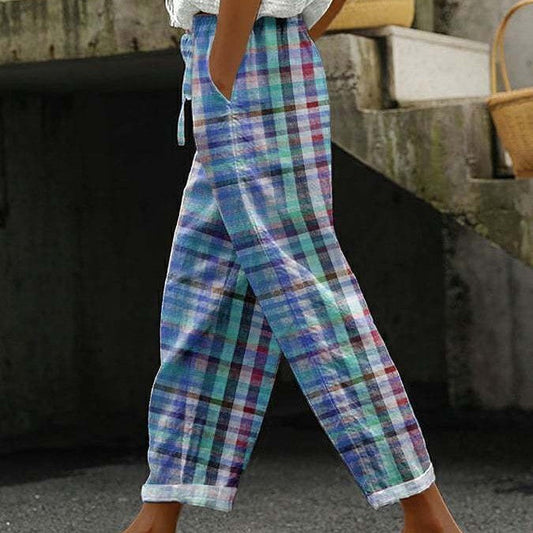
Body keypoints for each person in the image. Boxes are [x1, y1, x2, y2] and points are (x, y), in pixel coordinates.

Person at [122, 1, 464, 532]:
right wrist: (279, 41)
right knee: (206, 293)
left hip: (242, 63)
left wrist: (222, 72)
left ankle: (425, 510)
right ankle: (160, 509)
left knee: (308, 299)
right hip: (260, 58)